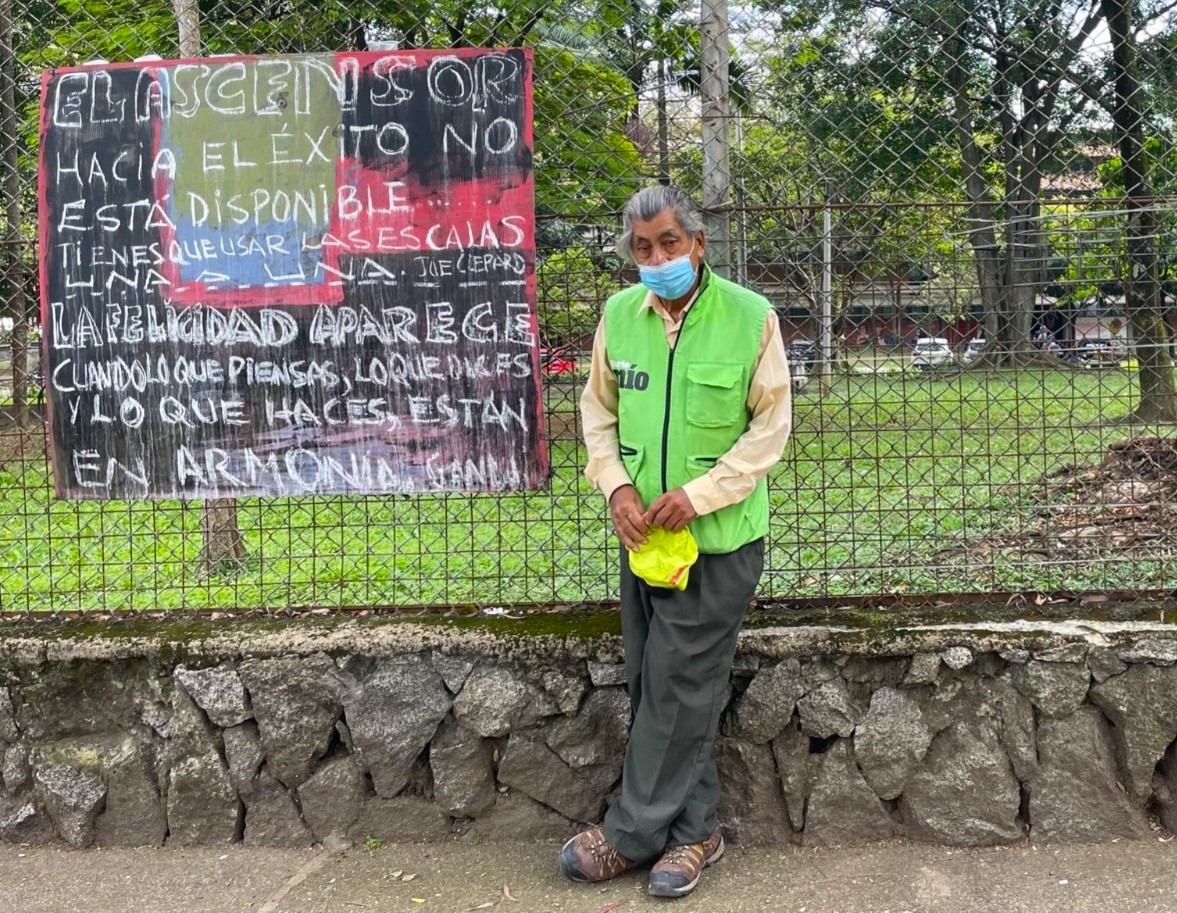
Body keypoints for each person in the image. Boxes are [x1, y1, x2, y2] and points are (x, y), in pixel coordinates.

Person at [561, 185, 793, 898]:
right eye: (641, 248)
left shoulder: (750, 317)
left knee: (677, 682)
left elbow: (769, 428)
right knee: (658, 683)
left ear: (696, 243)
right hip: (646, 544)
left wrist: (698, 495)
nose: (656, 258)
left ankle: (628, 833)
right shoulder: (618, 318)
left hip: (718, 541)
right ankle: (695, 832)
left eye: (667, 242)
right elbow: (597, 415)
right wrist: (616, 488)